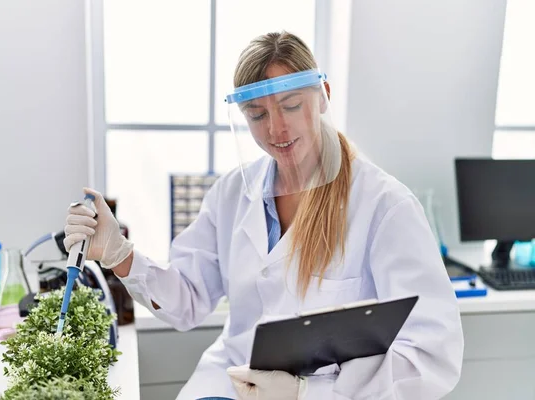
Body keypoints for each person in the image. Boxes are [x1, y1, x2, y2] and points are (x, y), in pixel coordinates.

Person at [64, 31, 463, 400]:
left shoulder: (385, 206)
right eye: (257, 115)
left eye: (291, 106)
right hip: (231, 380)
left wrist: (305, 393)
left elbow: (431, 354)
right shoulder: (232, 194)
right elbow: (188, 302)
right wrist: (120, 255)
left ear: (323, 95)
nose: (276, 128)